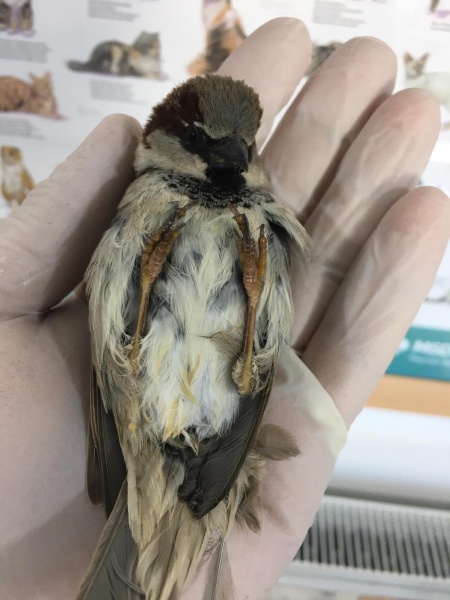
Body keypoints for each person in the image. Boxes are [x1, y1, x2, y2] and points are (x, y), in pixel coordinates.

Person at [0, 17, 448, 600]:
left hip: (207, 412)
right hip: (142, 409)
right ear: (161, 142)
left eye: (240, 146)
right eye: (200, 143)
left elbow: (260, 355)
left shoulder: (260, 209)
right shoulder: (142, 194)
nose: (229, 156)